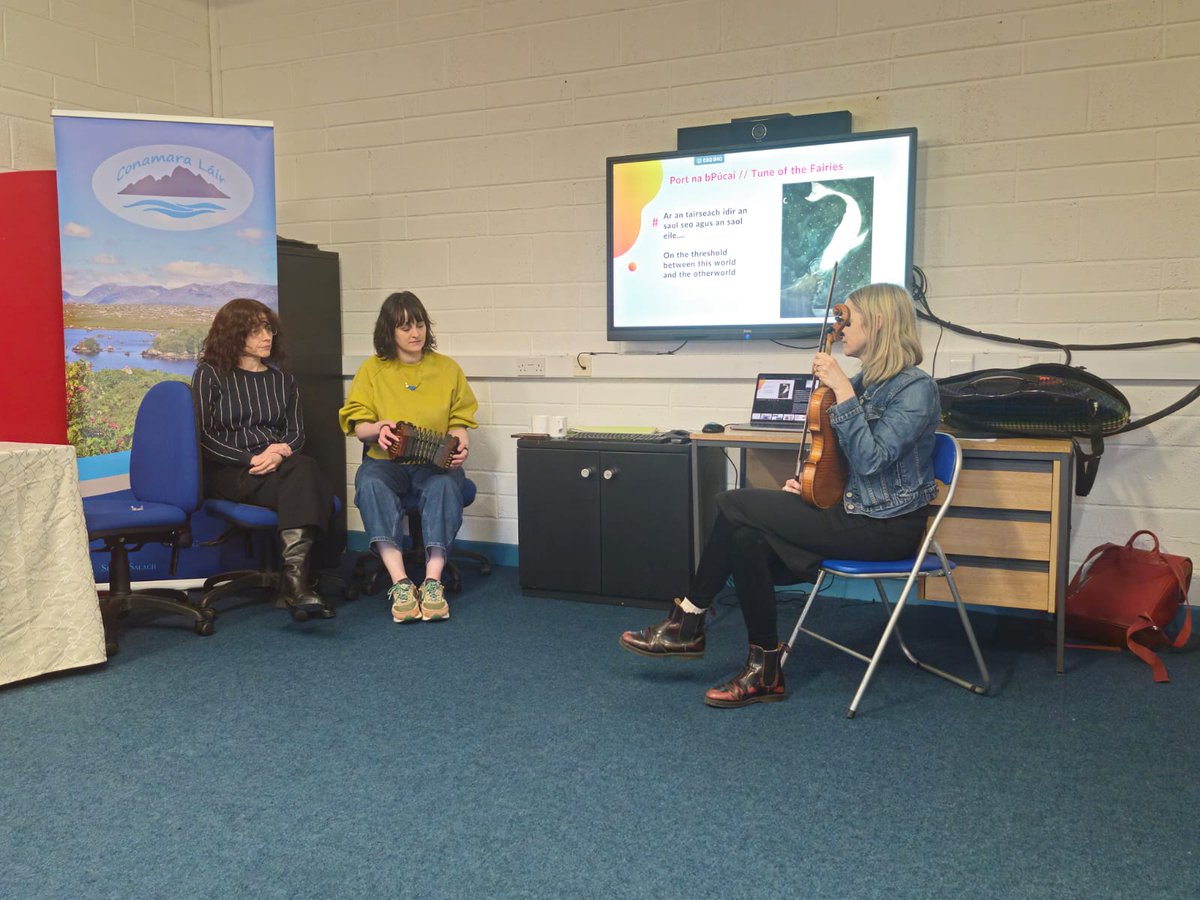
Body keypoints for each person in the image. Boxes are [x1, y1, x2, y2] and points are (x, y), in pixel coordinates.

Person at [620, 283, 941, 708]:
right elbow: (843, 464)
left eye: (851, 318)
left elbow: (871, 460)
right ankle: (764, 670)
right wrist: (810, 484)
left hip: (885, 528)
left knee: (734, 504)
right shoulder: (868, 383)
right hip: (849, 512)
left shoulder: (916, 390)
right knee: (744, 538)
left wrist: (843, 390)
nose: (841, 328)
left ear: (878, 322)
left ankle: (689, 620)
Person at [338, 291, 477, 624]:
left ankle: (432, 582)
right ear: (389, 332)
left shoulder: (447, 369)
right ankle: (400, 582)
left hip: (434, 466)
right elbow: (358, 425)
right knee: (370, 484)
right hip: (386, 464)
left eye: (419, 324)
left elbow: (460, 420)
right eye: (404, 327)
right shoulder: (372, 370)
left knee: (445, 486)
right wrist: (377, 429)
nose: (415, 333)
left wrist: (460, 444)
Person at [192, 298, 336, 616]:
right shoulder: (210, 375)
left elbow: (296, 434)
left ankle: (295, 584)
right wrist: (250, 459)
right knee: (308, 480)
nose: (266, 336)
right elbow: (202, 439)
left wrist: (279, 452)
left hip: (278, 466)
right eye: (255, 330)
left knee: (304, 467)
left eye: (268, 327)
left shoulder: (282, 380)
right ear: (233, 334)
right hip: (232, 471)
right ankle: (298, 584)